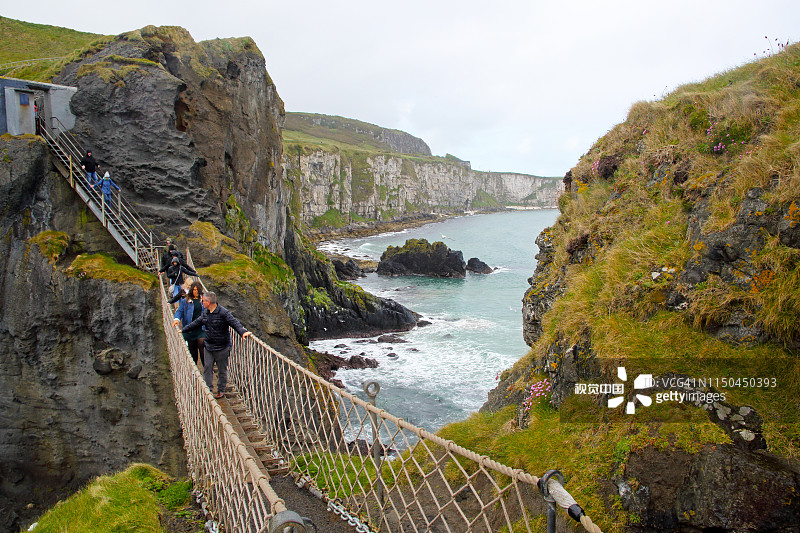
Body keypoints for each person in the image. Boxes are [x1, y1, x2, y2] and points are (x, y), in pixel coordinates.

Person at [180, 291, 251, 399]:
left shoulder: (223, 313)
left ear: (208, 302)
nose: (202, 302)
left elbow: (234, 322)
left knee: (222, 370)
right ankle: (208, 390)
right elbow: (196, 323)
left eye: (203, 301)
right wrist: (183, 330)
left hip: (222, 347)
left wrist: (242, 332)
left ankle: (221, 390)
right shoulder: (205, 313)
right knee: (207, 367)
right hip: (208, 345)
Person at [173, 281, 206, 367]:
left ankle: (206, 368)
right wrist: (176, 319)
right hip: (190, 329)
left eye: (197, 290)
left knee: (202, 345)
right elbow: (180, 311)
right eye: (194, 290)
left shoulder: (204, 300)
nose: (196, 292)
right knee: (193, 350)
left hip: (201, 328)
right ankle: (194, 370)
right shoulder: (186, 301)